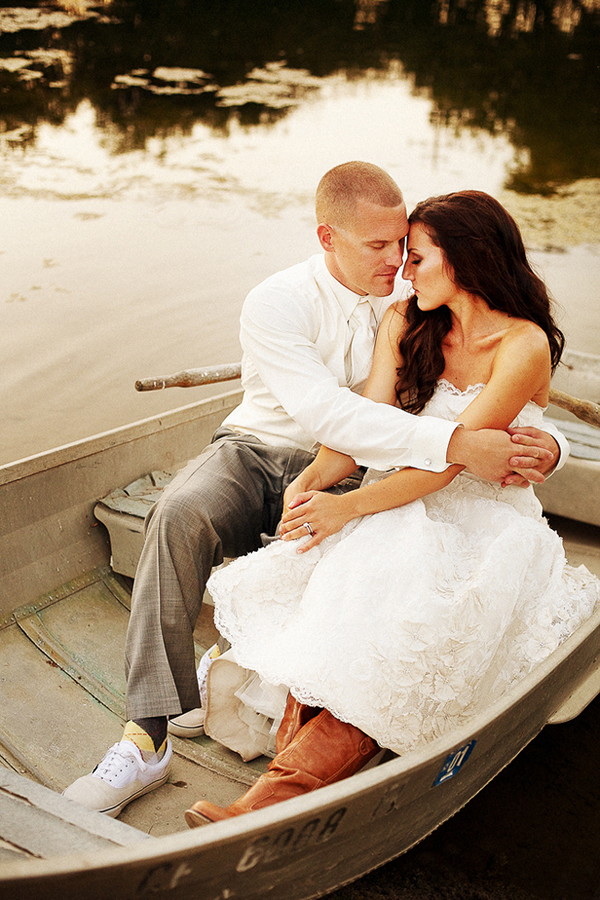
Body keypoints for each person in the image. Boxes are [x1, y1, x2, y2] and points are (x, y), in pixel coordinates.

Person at [63, 165, 565, 818]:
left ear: (462, 260)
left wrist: (540, 442)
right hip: (272, 450)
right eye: (381, 248)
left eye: (407, 248)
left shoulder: (427, 305)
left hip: (405, 484)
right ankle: (147, 735)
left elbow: (478, 420)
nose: (398, 264)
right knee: (181, 512)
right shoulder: (289, 301)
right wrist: (437, 452)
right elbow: (340, 419)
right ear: (328, 238)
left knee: (368, 586)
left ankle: (269, 789)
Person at [184, 189, 599, 828]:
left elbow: (450, 464)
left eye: (418, 257)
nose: (403, 271)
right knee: (342, 582)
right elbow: (366, 424)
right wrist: (318, 482)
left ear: (465, 261)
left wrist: (347, 512)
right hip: (398, 498)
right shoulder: (405, 320)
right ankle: (281, 790)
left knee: (398, 589)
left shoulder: (524, 345)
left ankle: (266, 805)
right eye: (401, 255)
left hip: (483, 519)